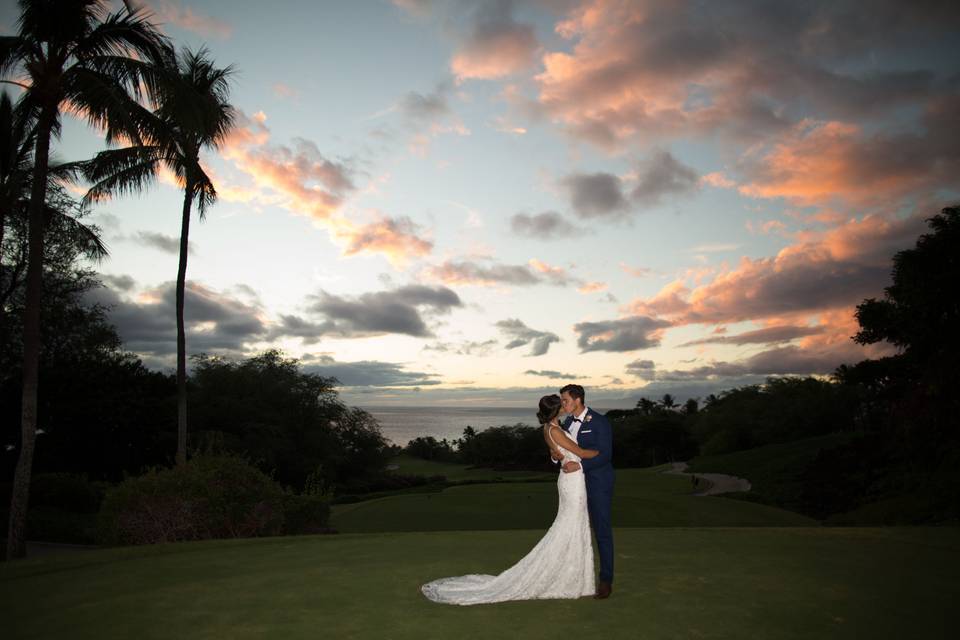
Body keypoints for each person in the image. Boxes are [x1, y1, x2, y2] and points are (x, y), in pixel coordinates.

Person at [420, 394, 599, 605]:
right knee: (569, 525)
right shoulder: (555, 430)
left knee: (572, 525)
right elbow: (578, 452)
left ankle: (575, 576)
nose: (565, 405)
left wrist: (560, 457)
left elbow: (559, 453)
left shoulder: (551, 428)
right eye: (562, 404)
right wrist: (604, 453)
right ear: (557, 410)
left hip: (571, 478)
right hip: (572, 482)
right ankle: (565, 576)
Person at [553, 384, 615, 599]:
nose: (563, 404)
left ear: (577, 400)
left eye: (565, 400)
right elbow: (563, 449)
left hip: (597, 482)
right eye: (562, 400)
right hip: (574, 486)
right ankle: (573, 576)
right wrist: (556, 456)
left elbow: (605, 455)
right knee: (574, 529)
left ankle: (606, 580)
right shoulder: (567, 422)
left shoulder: (599, 421)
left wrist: (580, 466)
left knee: (602, 531)